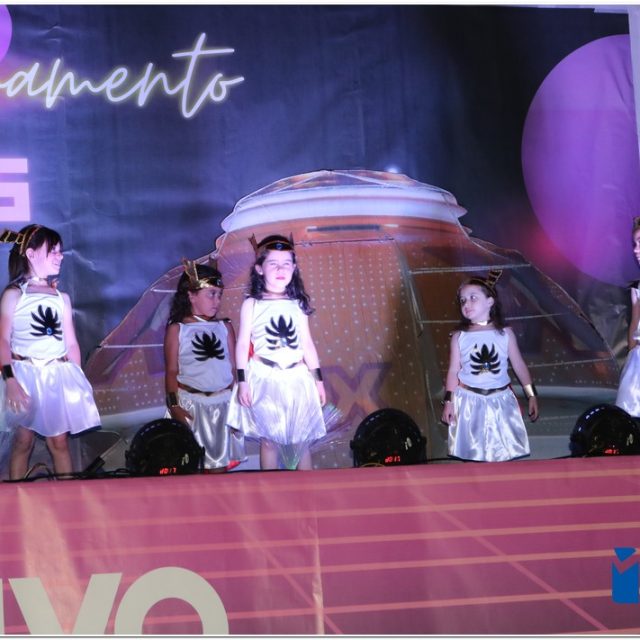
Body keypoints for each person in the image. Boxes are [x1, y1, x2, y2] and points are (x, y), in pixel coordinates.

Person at [0, 224, 101, 479]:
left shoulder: (61, 297)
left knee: (59, 442)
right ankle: (17, 496)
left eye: (60, 251)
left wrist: (77, 378)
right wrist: (9, 379)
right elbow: (2, 339)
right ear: (31, 254)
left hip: (56, 376)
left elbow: (72, 343)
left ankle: (67, 497)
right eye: (53, 251)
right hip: (24, 375)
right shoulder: (14, 294)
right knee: (23, 441)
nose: (60, 256)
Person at [226, 234, 326, 470]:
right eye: (273, 263)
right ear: (260, 269)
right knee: (269, 441)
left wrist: (318, 381)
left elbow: (307, 344)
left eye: (286, 263)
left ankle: (307, 487)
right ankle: (271, 488)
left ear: (294, 268)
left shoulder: (297, 303)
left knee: (301, 441)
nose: (281, 269)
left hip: (297, 377)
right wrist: (243, 381)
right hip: (265, 376)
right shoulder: (252, 303)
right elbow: (243, 344)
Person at [441, 269, 539, 462]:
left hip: (500, 402)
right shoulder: (459, 336)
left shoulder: (505, 333)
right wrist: (448, 402)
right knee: (472, 455)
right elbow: (453, 370)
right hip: (468, 403)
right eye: (462, 300)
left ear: (490, 301)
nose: (466, 304)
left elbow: (519, 365)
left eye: (473, 298)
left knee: (503, 454)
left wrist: (532, 395)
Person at [163, 259, 245, 472]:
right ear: (191, 295)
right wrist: (174, 406)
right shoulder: (178, 329)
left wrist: (237, 405)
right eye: (211, 294)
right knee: (192, 468)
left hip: (223, 405)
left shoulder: (224, 326)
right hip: (192, 406)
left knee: (218, 468)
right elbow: (171, 371)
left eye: (220, 295)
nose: (217, 301)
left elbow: (234, 368)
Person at [615, 216, 640, 417]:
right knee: (629, 411)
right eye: (635, 244)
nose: (636, 250)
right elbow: (635, 323)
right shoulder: (637, 287)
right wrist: (632, 355)